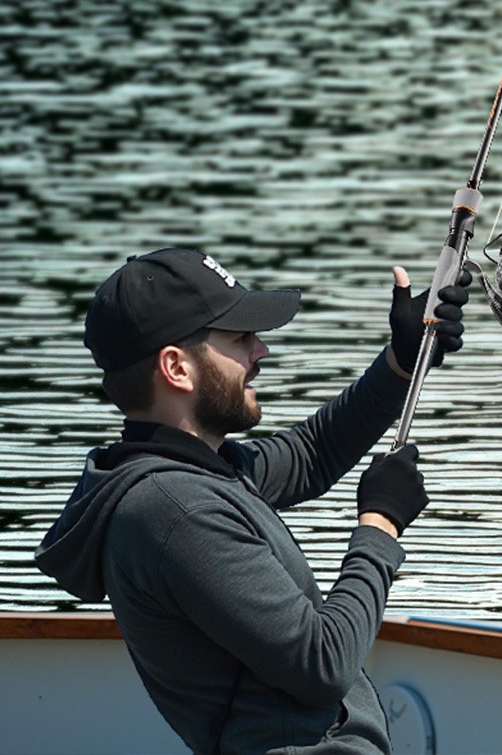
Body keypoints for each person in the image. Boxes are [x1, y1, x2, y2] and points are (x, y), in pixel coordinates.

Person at [33, 246, 471, 755]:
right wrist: (380, 526)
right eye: (241, 339)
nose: (260, 352)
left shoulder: (196, 473)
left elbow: (313, 452)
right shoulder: (176, 511)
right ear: (176, 367)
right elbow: (323, 663)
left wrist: (403, 358)